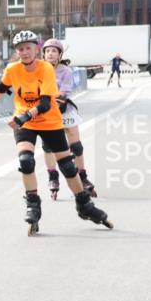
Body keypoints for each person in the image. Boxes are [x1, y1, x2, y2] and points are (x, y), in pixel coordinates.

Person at [0, 30, 112, 235]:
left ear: (36, 49)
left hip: (49, 121)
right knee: (25, 161)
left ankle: (84, 205)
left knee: (68, 167)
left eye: (28, 48)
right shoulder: (12, 69)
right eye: (20, 49)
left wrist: (22, 118)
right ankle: (33, 204)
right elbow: (1, 87)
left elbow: (44, 104)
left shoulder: (45, 69)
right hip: (26, 124)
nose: (24, 52)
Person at [40, 39, 97, 199]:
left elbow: (64, 92)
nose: (50, 53)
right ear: (43, 54)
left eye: (54, 51)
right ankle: (53, 178)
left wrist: (52, 101)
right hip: (46, 112)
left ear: (59, 55)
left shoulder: (65, 70)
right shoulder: (39, 69)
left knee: (76, 147)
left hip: (64, 109)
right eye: (47, 51)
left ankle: (83, 178)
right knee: (48, 147)